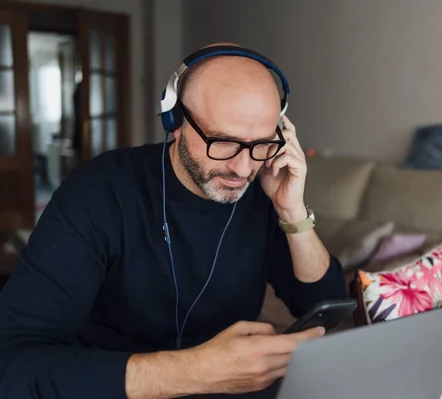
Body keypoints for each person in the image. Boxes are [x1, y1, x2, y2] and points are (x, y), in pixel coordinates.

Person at [0, 44, 347, 398]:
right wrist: (196, 372)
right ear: (175, 120)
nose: (243, 169)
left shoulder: (262, 189)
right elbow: (12, 364)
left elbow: (324, 307)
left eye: (261, 144)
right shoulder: (98, 192)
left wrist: (293, 212)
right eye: (224, 142)